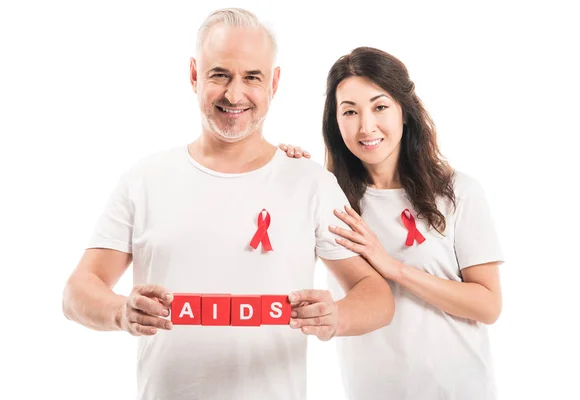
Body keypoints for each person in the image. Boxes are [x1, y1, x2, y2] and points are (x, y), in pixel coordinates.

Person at [61, 10, 394, 400]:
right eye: (220, 74)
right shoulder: (144, 180)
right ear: (193, 75)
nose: (234, 95)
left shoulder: (311, 183)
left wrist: (337, 316)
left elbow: (377, 294)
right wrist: (120, 312)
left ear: (274, 83)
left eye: (252, 77)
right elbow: (77, 292)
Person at [279, 47, 504, 400]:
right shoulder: (330, 199)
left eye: (379, 106)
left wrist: (394, 269)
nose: (366, 126)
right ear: (335, 123)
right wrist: (283, 170)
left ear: (404, 111)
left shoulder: (458, 192)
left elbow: (488, 306)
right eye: (350, 112)